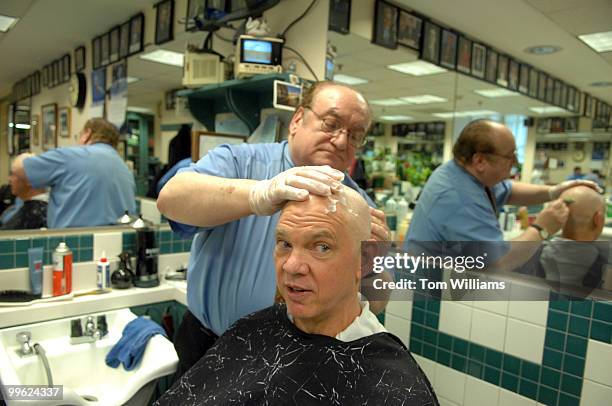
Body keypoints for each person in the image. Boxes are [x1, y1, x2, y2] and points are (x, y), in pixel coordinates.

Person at [157, 81, 390, 377]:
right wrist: (258, 195)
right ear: (297, 120)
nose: (342, 142)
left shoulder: (358, 204)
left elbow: (378, 301)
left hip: (297, 363)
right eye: (331, 124)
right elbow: (171, 198)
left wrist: (373, 264)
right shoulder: (241, 161)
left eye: (355, 136)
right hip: (210, 346)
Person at [154, 190, 437, 406]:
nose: (291, 266)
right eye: (284, 243)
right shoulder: (254, 329)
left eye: (321, 247)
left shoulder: (393, 385)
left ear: (364, 258)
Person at [405, 119, 600, 245]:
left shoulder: (463, 173)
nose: (515, 162)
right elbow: (498, 263)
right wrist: (541, 229)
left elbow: (508, 190)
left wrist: (555, 191)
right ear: (480, 161)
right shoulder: (459, 198)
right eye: (509, 156)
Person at [14, 118, 136, 228]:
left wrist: (27, 156)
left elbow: (19, 169)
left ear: (87, 134)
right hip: (115, 243)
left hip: (73, 243)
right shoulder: (124, 168)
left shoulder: (69, 156)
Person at [1, 153, 47, 230]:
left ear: (29, 179)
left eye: (13, 175)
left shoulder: (36, 213)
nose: (9, 179)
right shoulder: (21, 202)